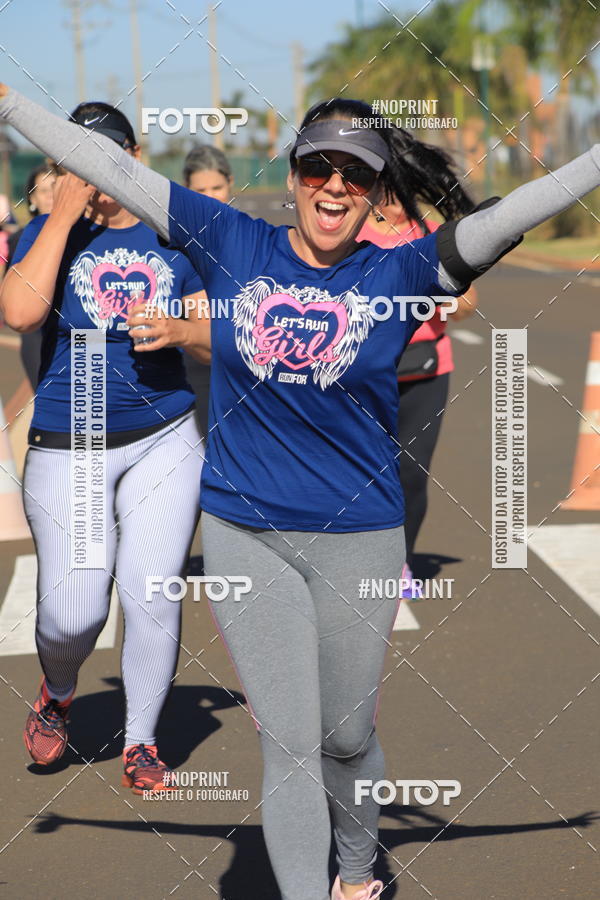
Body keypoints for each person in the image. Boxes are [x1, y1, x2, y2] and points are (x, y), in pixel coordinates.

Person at [3, 85, 600, 899]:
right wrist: (10, 104)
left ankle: (359, 872)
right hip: (247, 532)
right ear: (292, 176)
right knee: (288, 743)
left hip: (360, 534)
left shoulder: (404, 270)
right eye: (318, 167)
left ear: (376, 193)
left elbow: (505, 216)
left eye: (354, 175)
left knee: (347, 736)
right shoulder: (230, 239)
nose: (333, 186)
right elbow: (105, 162)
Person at [0, 100, 209, 795]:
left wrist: (183, 332)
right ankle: (60, 688)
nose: (97, 172)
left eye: (109, 156)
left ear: (133, 157)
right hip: (74, 433)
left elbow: (220, 332)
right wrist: (62, 213)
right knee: (76, 612)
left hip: (164, 434)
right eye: (79, 160)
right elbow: (19, 312)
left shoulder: (176, 232)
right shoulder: (49, 232)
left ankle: (142, 741)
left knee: (152, 592)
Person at [358, 198, 479, 595]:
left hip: (428, 368)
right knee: (362, 473)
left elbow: (467, 305)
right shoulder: (355, 227)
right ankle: (354, 557)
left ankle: (401, 562)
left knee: (411, 472)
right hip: (366, 371)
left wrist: (438, 292)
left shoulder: (431, 232)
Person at [180, 144, 234, 440]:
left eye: (217, 187)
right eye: (200, 190)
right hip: (194, 368)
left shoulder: (253, 236)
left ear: (231, 185)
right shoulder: (173, 241)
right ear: (186, 190)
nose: (210, 197)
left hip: (243, 364)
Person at [5, 163, 57, 387]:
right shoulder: (21, 239)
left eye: (55, 187)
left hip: (81, 335)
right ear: (32, 199)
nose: (51, 196)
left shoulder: (87, 235)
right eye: (44, 191)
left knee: (90, 410)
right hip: (37, 335)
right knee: (50, 403)